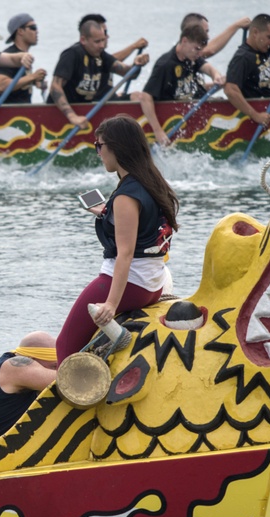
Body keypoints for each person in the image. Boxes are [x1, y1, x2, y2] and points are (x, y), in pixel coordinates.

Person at [55, 115, 178, 363]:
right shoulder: (151, 181)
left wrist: (111, 305)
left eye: (99, 146)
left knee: (64, 347)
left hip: (130, 284)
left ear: (116, 147)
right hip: (153, 282)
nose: (98, 153)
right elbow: (144, 226)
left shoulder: (126, 196)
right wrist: (106, 212)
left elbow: (126, 253)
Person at [50, 20, 149, 130]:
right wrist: (72, 116)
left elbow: (130, 74)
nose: (102, 45)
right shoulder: (72, 54)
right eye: (97, 42)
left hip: (85, 113)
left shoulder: (101, 55)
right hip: (60, 115)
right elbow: (55, 86)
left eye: (103, 40)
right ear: (83, 40)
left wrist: (137, 64)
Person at [140, 24, 225, 146]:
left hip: (191, 110)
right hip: (171, 119)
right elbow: (145, 97)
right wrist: (158, 131)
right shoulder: (165, 65)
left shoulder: (192, 56)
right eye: (197, 49)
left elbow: (208, 68)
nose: (200, 54)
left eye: (201, 49)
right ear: (184, 41)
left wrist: (216, 76)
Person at [0, 13, 47, 104]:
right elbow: (1, 86)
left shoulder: (24, 56)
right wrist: (32, 77)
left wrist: (34, 81)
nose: (37, 31)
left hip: (21, 113)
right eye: (33, 27)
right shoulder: (9, 56)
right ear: (20, 31)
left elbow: (17, 82)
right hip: (7, 114)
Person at [180, 13, 252, 59]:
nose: (208, 36)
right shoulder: (187, 52)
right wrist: (236, 25)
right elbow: (209, 51)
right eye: (205, 32)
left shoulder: (194, 56)